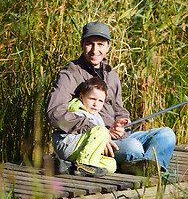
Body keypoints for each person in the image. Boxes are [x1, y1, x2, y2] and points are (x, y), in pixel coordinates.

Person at [46, 21, 176, 176]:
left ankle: (148, 168)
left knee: (166, 134)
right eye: (90, 44)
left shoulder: (111, 75)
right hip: (91, 139)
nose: (95, 50)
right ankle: (140, 165)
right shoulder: (70, 74)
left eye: (100, 44)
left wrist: (122, 126)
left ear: (108, 46)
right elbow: (54, 112)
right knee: (134, 147)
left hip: (117, 137)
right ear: (81, 45)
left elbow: (119, 110)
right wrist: (94, 130)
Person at [51, 76, 117, 177]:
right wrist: (102, 133)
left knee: (112, 164)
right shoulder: (76, 109)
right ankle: (83, 165)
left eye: (100, 101)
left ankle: (69, 166)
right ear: (81, 97)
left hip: (80, 150)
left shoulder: (98, 117)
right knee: (102, 131)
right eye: (92, 99)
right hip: (68, 144)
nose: (96, 104)